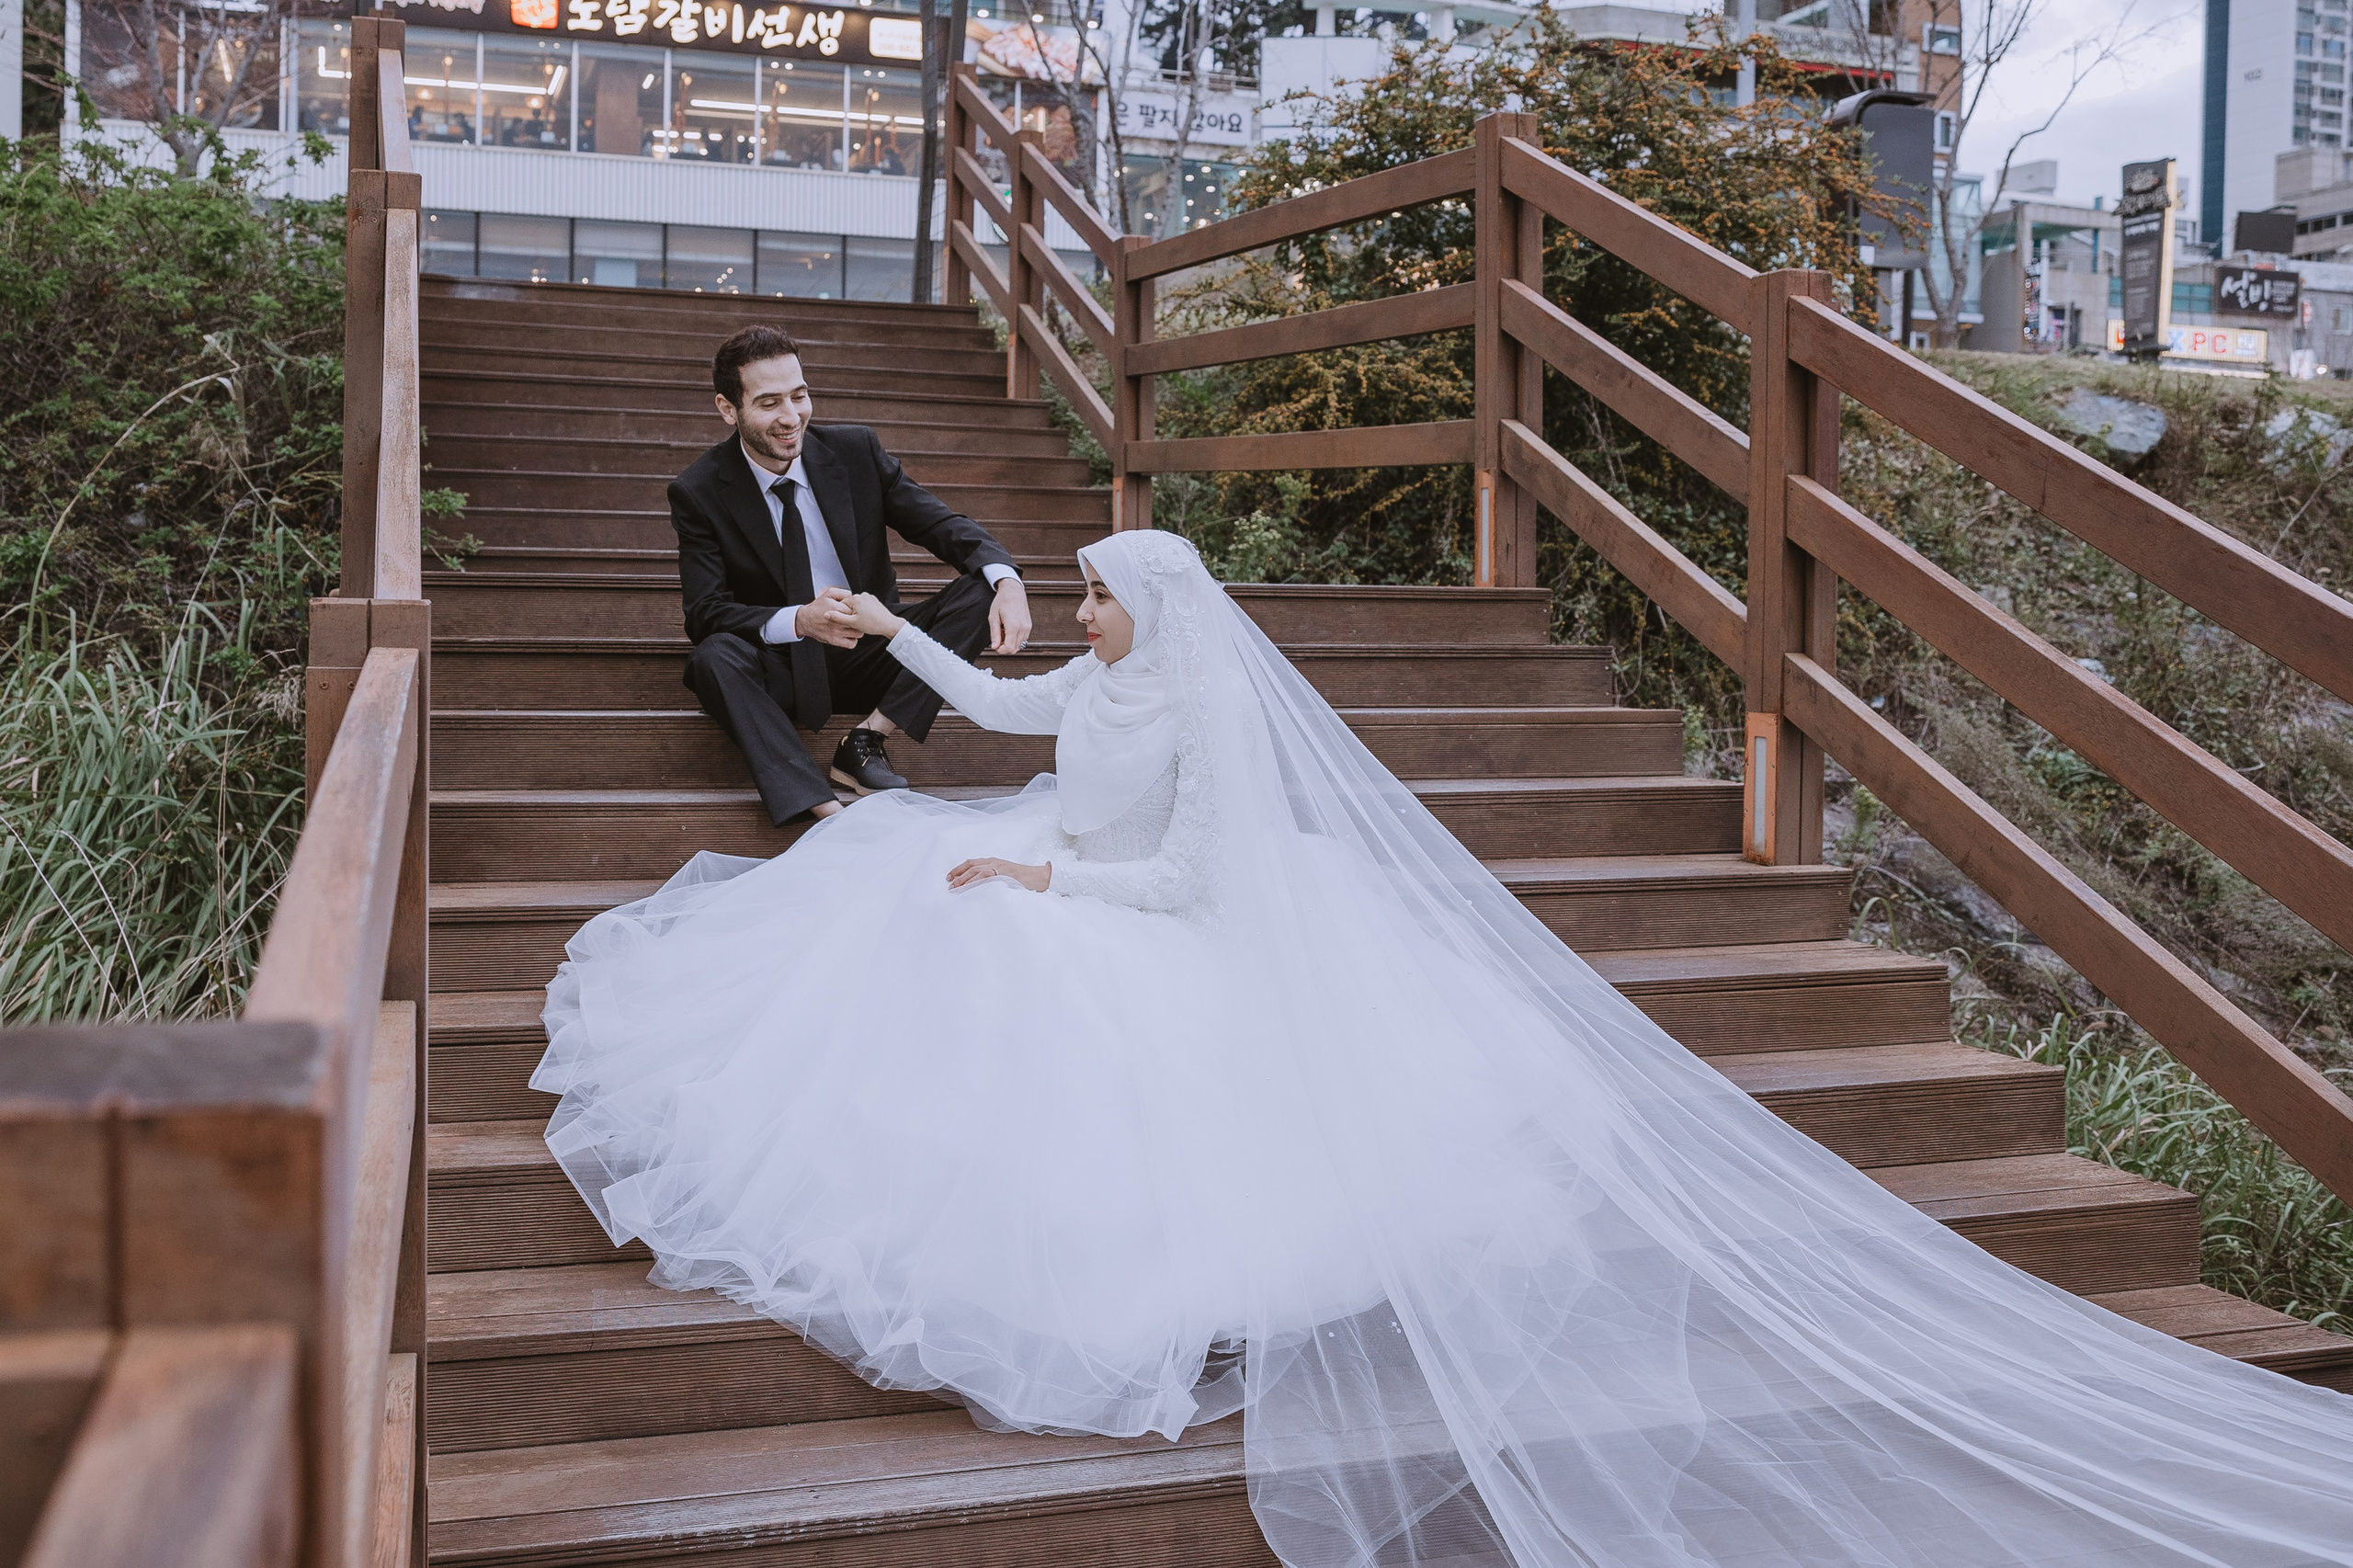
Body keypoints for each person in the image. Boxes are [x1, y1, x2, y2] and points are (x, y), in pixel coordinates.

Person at [538, 530, 2353, 1567]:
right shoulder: (1087, 680)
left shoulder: (1203, 709)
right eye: (1077, 590)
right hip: (1065, 861)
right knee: (915, 889)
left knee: (998, 921)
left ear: (1149, 615)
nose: (1073, 612)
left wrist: (1044, 869)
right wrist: (896, 654)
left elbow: (1177, 876)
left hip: (1140, 907)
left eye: (1093, 594)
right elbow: (1005, 701)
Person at [668, 324, 1031, 823]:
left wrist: (1007, 581)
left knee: (979, 588)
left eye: (799, 395)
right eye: (769, 402)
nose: (791, 416)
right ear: (728, 409)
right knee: (712, 659)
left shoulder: (855, 451)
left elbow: (942, 524)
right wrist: (799, 620)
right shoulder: (698, 490)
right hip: (783, 667)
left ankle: (867, 740)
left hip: (872, 656)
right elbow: (705, 613)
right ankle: (821, 807)